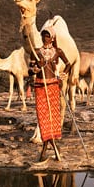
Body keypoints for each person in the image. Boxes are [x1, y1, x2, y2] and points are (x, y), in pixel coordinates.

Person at [29, 29, 70, 163]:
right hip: (40, 86)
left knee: (52, 117)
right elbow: (30, 71)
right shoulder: (35, 51)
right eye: (43, 35)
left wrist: (62, 77)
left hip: (52, 86)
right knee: (43, 117)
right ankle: (49, 145)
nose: (44, 38)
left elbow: (68, 64)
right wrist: (37, 68)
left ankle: (46, 147)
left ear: (52, 38)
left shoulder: (58, 51)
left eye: (47, 36)